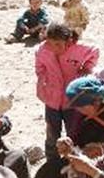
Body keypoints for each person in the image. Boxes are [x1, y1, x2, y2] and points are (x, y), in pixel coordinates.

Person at [30, 76, 104, 178]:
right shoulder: (79, 113)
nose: (79, 111)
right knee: (50, 171)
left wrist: (103, 151)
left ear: (96, 101)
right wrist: (67, 143)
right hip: (82, 158)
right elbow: (73, 137)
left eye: (81, 107)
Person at [35, 23, 99, 161]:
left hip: (72, 100)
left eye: (58, 44)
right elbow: (39, 65)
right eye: (51, 43)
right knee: (52, 132)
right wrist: (42, 77)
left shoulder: (79, 49)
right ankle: (52, 159)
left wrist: (87, 68)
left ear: (68, 41)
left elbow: (94, 51)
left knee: (73, 131)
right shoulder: (43, 50)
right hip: (52, 99)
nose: (54, 48)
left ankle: (75, 159)